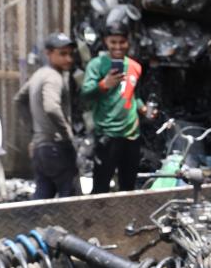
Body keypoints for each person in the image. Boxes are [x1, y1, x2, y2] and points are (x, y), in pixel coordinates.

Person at [81, 22, 150, 193]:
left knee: (128, 187)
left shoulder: (135, 67)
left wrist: (143, 109)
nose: (118, 46)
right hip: (107, 135)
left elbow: (134, 94)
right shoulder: (96, 65)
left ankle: (126, 219)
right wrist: (105, 84)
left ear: (128, 42)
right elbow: (85, 94)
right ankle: (98, 220)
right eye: (113, 42)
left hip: (131, 135)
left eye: (122, 42)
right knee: (101, 187)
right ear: (106, 41)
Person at [14, 32, 80, 199]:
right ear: (48, 53)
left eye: (70, 54)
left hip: (40, 148)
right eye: (62, 54)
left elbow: (19, 100)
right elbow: (51, 107)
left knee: (42, 199)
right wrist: (66, 134)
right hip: (56, 147)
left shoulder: (39, 74)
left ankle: (34, 226)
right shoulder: (53, 77)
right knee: (69, 199)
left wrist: (34, 131)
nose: (69, 59)